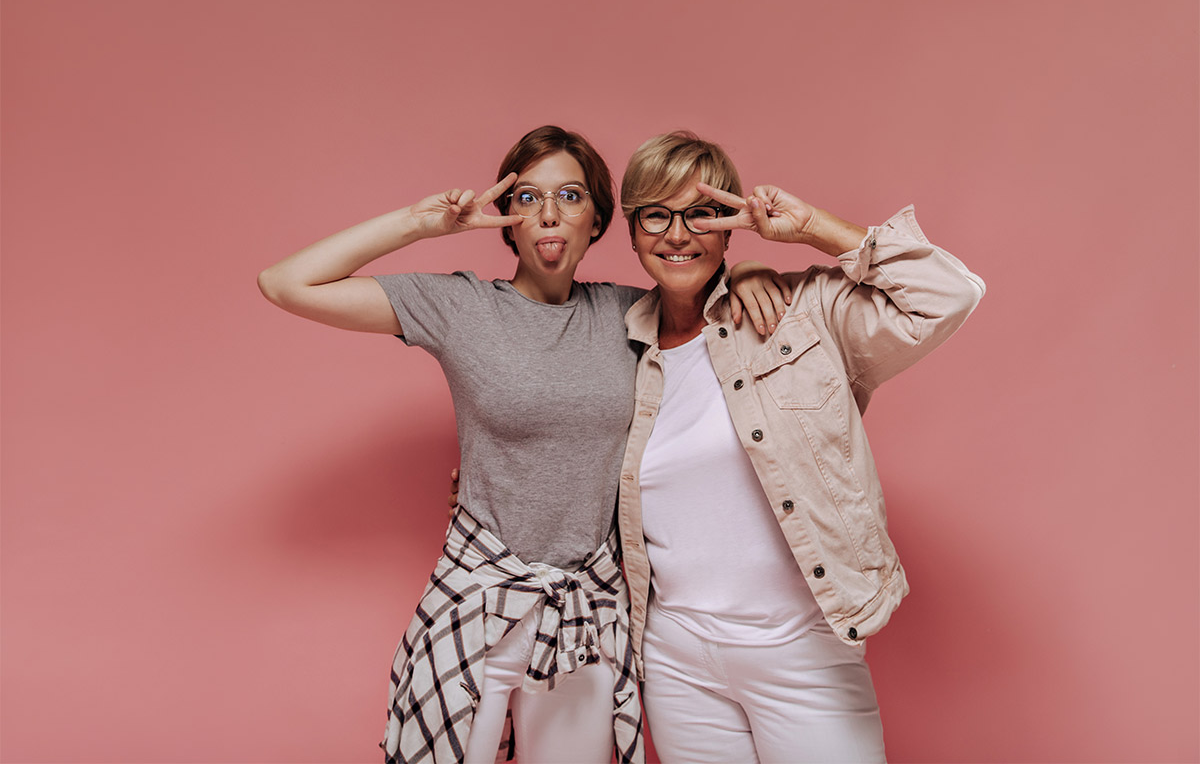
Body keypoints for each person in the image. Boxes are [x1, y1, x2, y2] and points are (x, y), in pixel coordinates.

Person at [256, 126, 785, 764]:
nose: (549, 213)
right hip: (477, 592)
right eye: (528, 197)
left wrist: (752, 266)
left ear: (597, 218)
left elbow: (698, 275)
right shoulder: (460, 306)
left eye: (569, 194)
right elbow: (286, 283)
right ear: (507, 219)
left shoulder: (629, 314)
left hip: (584, 605)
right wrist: (422, 222)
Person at [614, 132, 985, 763]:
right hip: (677, 662)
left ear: (731, 227)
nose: (677, 233)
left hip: (803, 651)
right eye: (656, 214)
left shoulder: (798, 311)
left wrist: (813, 226)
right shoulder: (615, 343)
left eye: (700, 213)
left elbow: (948, 295)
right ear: (632, 230)